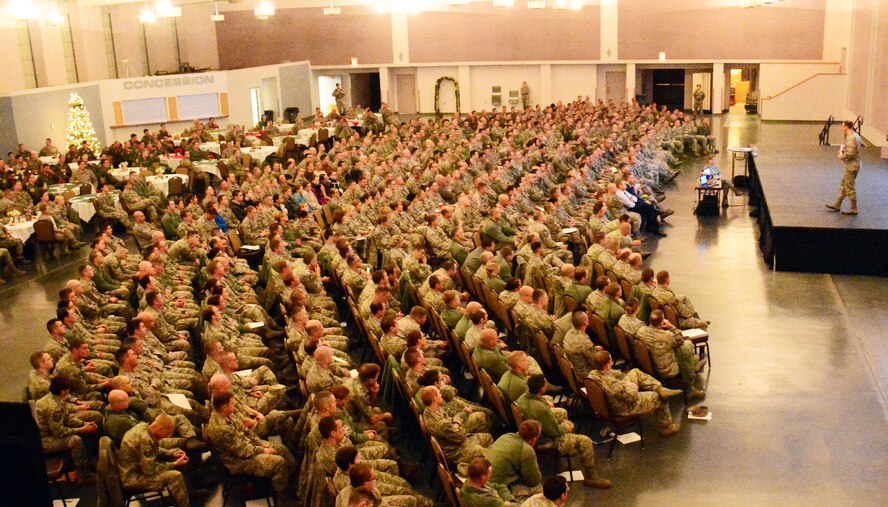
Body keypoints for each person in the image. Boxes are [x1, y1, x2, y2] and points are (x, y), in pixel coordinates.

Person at [516, 375, 611, 489]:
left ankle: (569, 447)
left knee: (562, 412)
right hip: (545, 440)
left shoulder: (522, 398)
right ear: (542, 389)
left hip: (533, 429)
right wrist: (566, 428)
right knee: (585, 441)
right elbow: (555, 432)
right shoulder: (540, 409)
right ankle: (590, 476)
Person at [586, 350, 682, 437]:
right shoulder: (614, 386)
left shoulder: (593, 374)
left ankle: (660, 388)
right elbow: (632, 397)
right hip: (624, 407)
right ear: (607, 365)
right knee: (658, 397)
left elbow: (613, 375)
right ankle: (666, 427)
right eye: (610, 361)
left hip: (615, 399)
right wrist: (634, 387)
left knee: (635, 372)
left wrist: (625, 382)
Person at [118, 413, 193, 507]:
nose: (168, 436)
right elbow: (150, 470)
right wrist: (174, 464)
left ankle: (187, 492)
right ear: (160, 428)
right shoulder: (144, 439)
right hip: (133, 478)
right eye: (167, 433)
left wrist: (171, 453)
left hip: (136, 470)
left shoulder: (143, 427)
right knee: (175, 476)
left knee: (175, 457)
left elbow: (152, 449)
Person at [826, 120, 863, 215]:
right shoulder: (855, 135)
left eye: (843, 126)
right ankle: (837, 204)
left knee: (849, 187)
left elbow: (850, 154)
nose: (842, 128)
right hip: (852, 165)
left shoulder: (851, 138)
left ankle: (853, 208)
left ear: (846, 127)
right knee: (843, 185)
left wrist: (841, 155)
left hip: (851, 166)